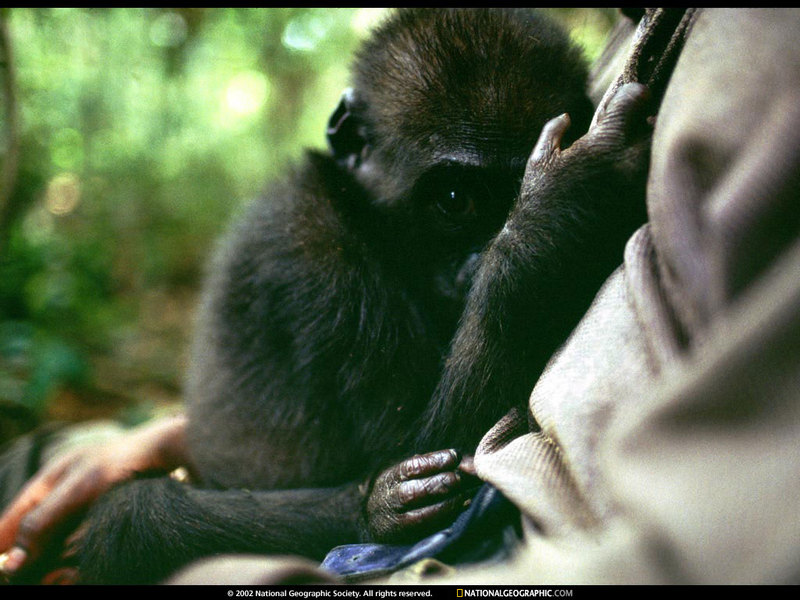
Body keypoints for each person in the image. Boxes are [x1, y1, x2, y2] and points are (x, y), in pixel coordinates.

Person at [4, 7, 800, 585]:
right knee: (64, 485)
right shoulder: (318, 237)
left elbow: (420, 485)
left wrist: (528, 246)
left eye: (510, 204)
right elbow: (401, 450)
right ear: (352, 143)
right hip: (327, 475)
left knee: (105, 516)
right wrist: (527, 248)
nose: (483, 248)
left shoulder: (746, 58)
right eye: (455, 203)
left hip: (435, 532)